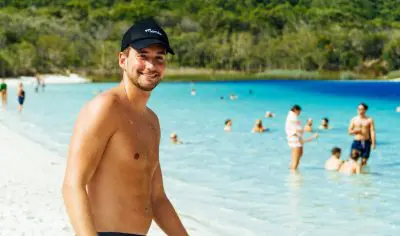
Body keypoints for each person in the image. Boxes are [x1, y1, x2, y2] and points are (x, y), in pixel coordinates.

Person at [62, 18, 188, 236]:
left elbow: (157, 199)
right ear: (123, 60)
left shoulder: (152, 121)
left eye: (159, 58)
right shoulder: (105, 108)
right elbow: (73, 186)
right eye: (143, 56)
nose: (151, 65)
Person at [285, 105, 318, 170]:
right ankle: (293, 175)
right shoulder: (293, 117)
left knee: (300, 154)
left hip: (295, 138)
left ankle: (292, 167)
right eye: (299, 111)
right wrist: (305, 131)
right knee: (296, 160)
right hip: (295, 138)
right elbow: (294, 129)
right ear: (296, 110)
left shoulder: (292, 116)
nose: (300, 113)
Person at [348, 103, 376, 167]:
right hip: (357, 141)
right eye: (358, 109)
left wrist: (373, 143)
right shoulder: (354, 119)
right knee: (352, 161)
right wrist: (355, 131)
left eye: (362, 109)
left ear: (365, 110)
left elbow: (372, 131)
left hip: (366, 142)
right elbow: (349, 132)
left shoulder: (369, 120)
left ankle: (362, 176)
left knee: (364, 162)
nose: (360, 111)